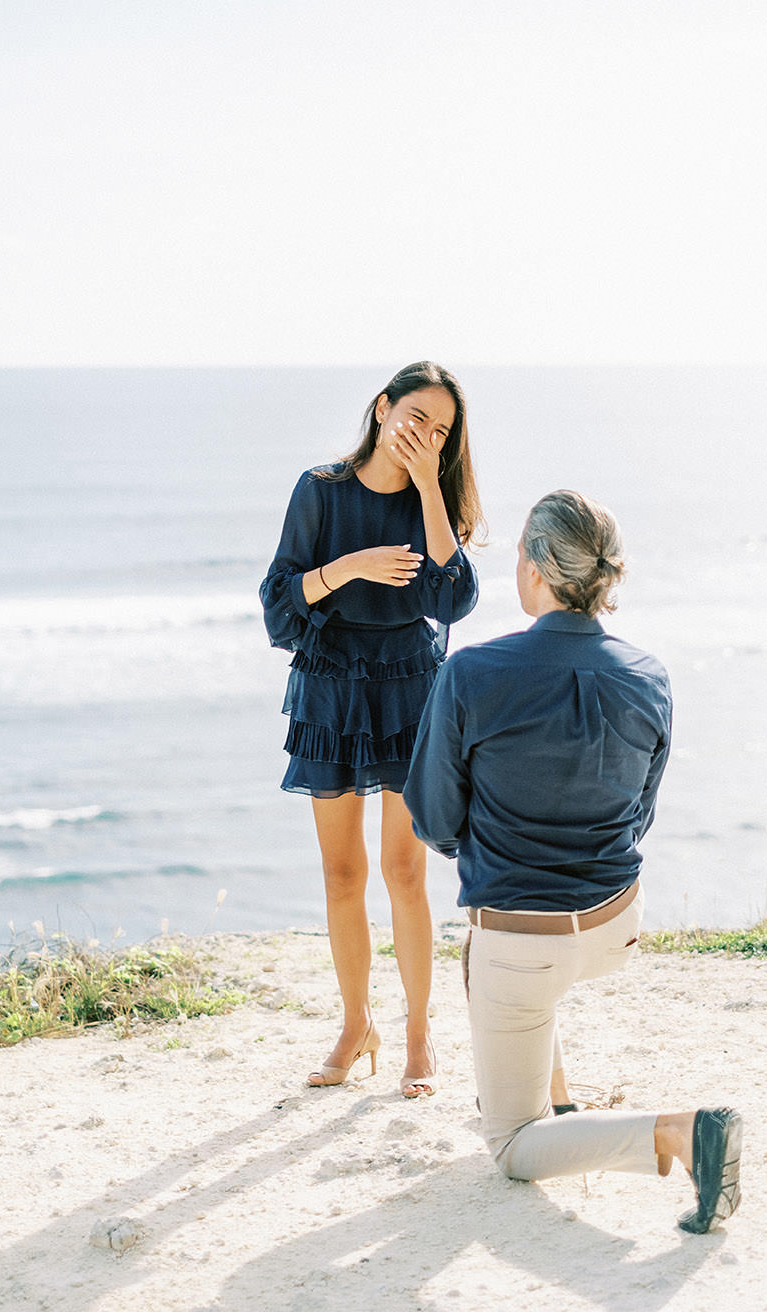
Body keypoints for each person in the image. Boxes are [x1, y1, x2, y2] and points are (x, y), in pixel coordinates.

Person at [404, 489, 742, 1233]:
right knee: (518, 970)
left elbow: (430, 818)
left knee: (513, 1145)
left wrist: (494, 854)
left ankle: (685, 1133)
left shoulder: (472, 673)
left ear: (533, 567)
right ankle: (557, 1099)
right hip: (616, 927)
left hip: (523, 948)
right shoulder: (649, 675)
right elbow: (639, 811)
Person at [260, 361, 484, 1096]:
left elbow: (454, 604)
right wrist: (348, 567)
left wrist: (428, 490)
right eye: (416, 415)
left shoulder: (434, 500)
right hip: (331, 685)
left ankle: (419, 1032)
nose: (426, 434)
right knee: (343, 872)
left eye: (442, 430)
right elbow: (279, 602)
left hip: (409, 690)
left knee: (405, 870)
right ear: (383, 408)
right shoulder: (319, 490)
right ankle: (357, 1026)